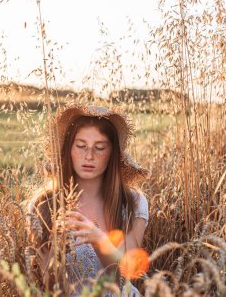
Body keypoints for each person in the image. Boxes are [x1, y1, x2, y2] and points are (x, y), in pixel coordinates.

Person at [26, 105, 149, 296]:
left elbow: (125, 277)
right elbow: (49, 286)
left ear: (112, 154)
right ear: (69, 150)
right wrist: (53, 259)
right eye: (81, 146)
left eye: (99, 148)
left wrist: (100, 241)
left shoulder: (132, 203)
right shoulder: (43, 205)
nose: (89, 156)